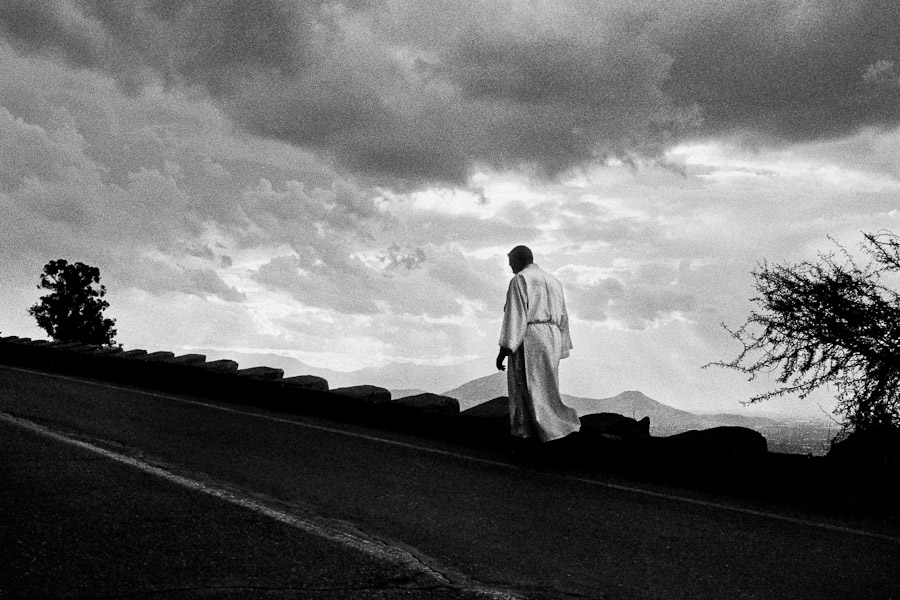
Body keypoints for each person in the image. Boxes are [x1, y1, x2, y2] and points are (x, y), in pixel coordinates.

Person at [496, 245, 581, 443]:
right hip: (551, 336)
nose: (510, 268)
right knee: (548, 388)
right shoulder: (554, 281)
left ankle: (530, 435)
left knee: (526, 385)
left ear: (518, 260)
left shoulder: (520, 279)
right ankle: (553, 431)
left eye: (511, 263)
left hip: (531, 336)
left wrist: (505, 348)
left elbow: (515, 316)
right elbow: (563, 316)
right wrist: (561, 344)